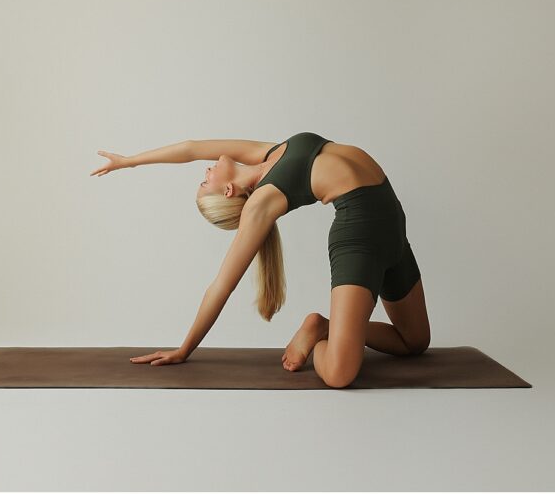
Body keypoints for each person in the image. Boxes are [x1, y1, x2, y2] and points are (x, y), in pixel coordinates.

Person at [90, 133, 431, 389]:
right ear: (227, 192)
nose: (205, 170)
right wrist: (184, 349)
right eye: (203, 182)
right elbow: (222, 285)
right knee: (341, 374)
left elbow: (192, 148)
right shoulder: (262, 202)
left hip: (391, 220)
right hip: (360, 233)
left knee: (414, 342)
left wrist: (130, 161)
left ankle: (330, 328)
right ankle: (320, 328)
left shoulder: (268, 154)